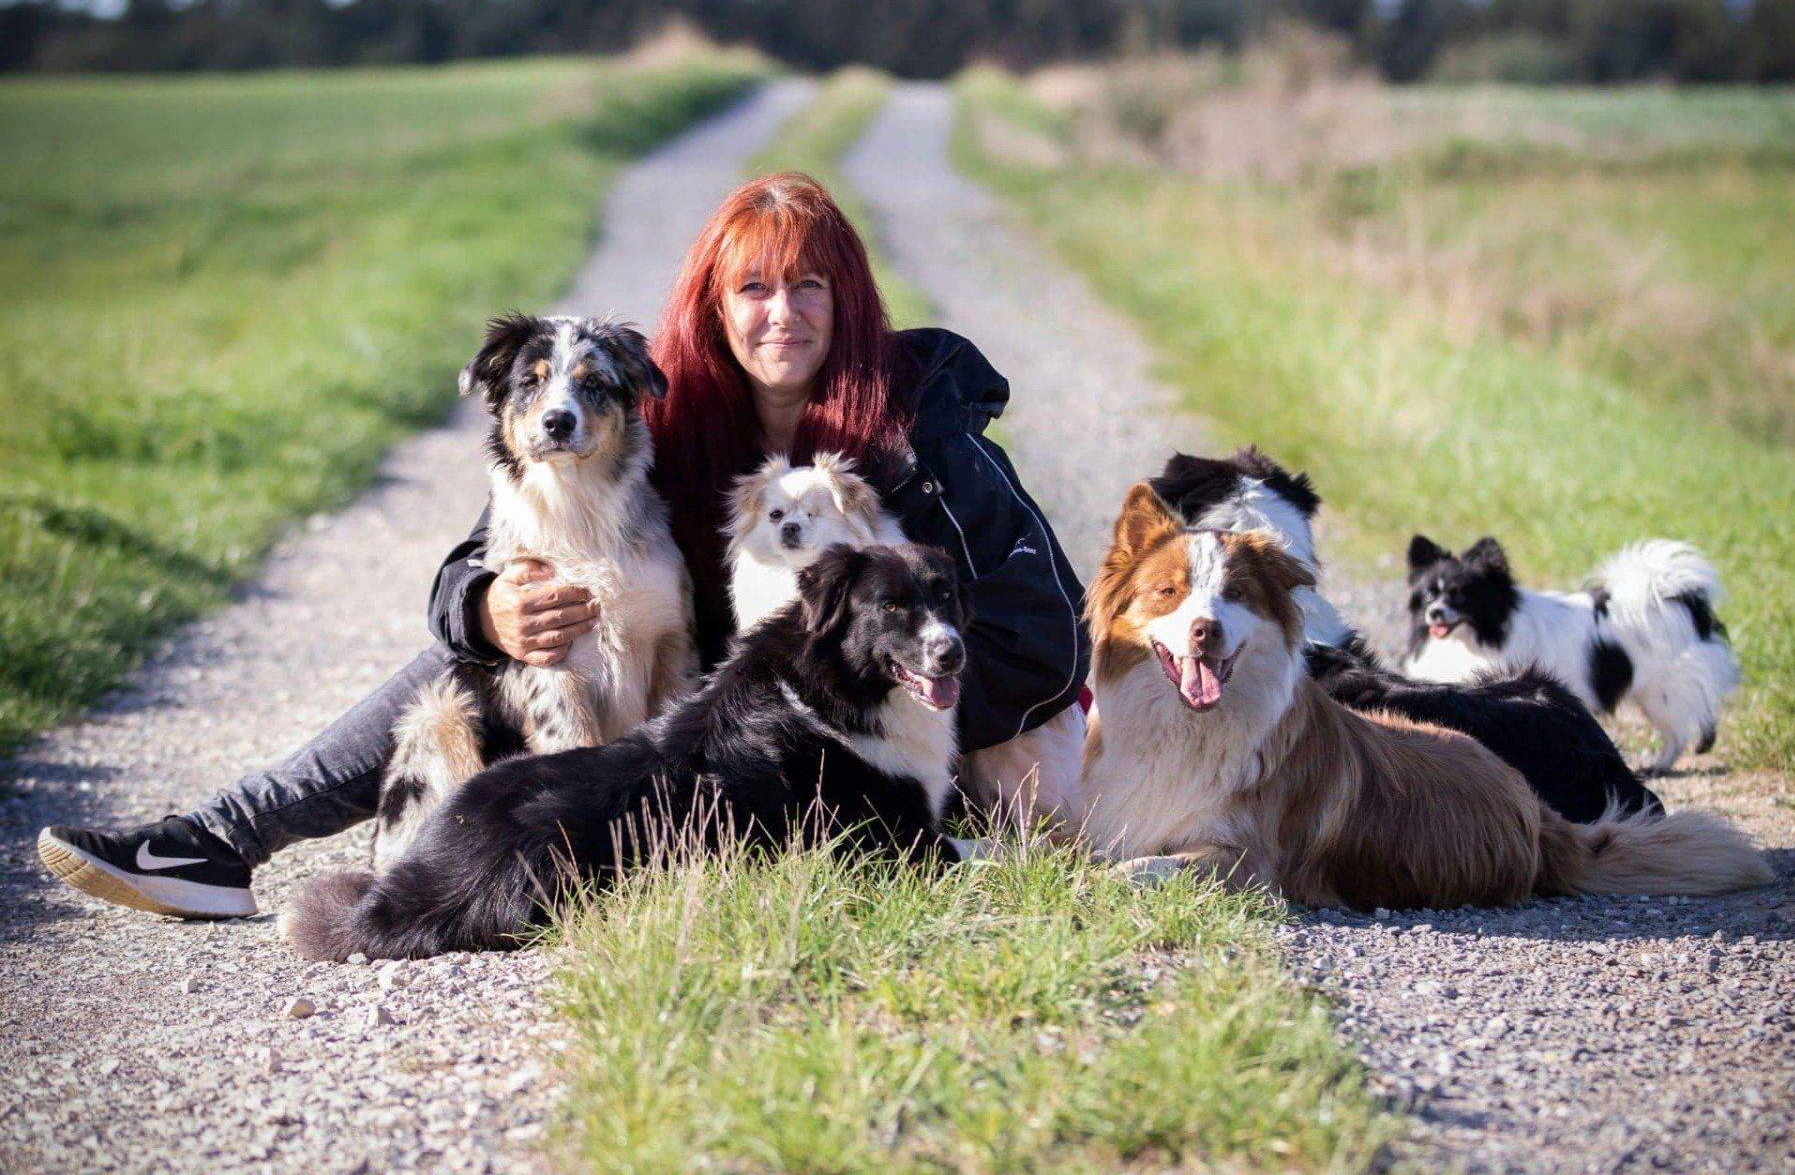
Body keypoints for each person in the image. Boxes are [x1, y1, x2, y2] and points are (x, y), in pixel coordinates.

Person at [38, 173, 1090, 920]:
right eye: (754, 288)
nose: (783, 313)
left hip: (872, 755)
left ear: (848, 299)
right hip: (705, 737)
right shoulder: (651, 415)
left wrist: (881, 709)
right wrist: (484, 605)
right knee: (496, 639)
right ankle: (225, 839)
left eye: (809, 285)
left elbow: (1051, 639)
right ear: (715, 305)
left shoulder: (921, 434)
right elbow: (479, 556)